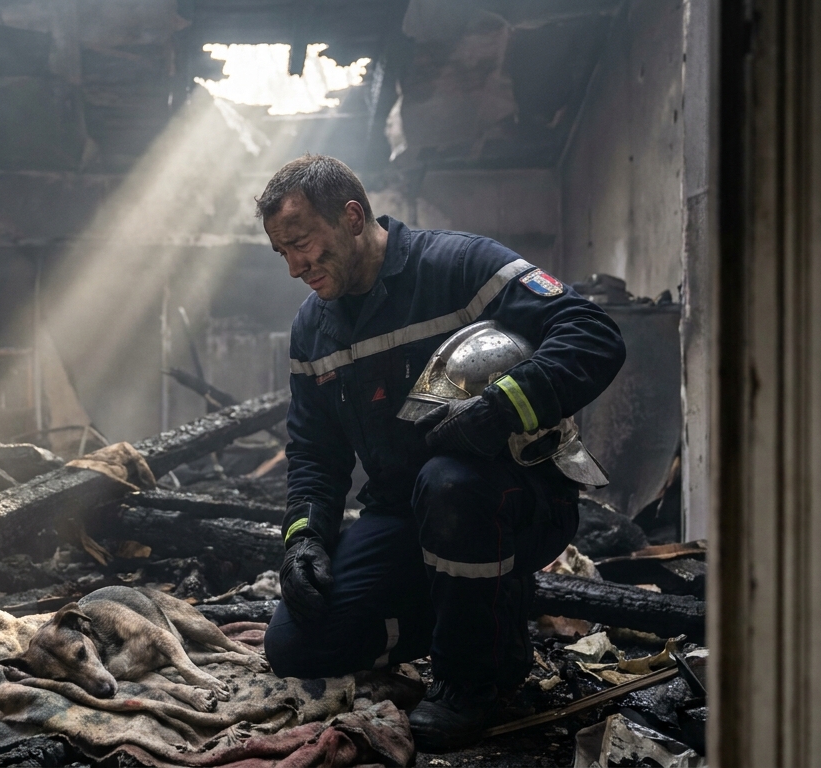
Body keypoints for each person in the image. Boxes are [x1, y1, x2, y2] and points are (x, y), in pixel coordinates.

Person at [257, 155, 625, 751]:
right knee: (295, 646)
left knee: (450, 484)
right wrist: (303, 540)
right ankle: (480, 613)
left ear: (352, 218)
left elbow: (592, 334)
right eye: (283, 253)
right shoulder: (313, 330)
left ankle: (471, 681)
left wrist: (503, 408)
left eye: (301, 244)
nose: (295, 267)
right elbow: (313, 454)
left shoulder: (460, 266)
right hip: (402, 512)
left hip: (512, 500)